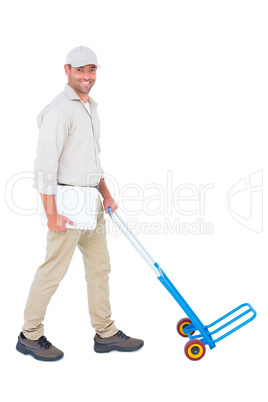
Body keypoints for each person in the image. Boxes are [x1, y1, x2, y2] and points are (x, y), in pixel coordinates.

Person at [16, 45, 144, 361]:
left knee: (100, 269)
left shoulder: (90, 107)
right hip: (66, 206)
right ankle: (29, 335)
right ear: (67, 71)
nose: (86, 76)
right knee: (53, 272)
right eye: (80, 70)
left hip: (92, 203)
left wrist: (107, 194)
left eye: (91, 70)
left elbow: (91, 160)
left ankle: (106, 333)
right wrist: (51, 214)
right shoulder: (59, 110)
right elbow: (44, 166)